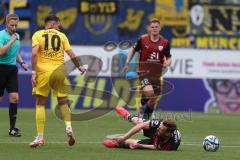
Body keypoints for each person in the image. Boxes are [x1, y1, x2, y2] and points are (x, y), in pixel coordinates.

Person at [30, 15, 86, 147]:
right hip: (60, 72)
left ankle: (40, 137)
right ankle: (68, 127)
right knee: (63, 102)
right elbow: (72, 55)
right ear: (53, 24)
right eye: (58, 25)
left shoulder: (37, 34)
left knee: (40, 103)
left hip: (43, 72)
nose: (59, 27)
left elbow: (33, 54)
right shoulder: (62, 36)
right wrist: (80, 67)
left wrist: (34, 72)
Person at [122, 18, 172, 119]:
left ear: (160, 28)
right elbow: (133, 49)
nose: (154, 28)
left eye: (156, 27)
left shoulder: (165, 43)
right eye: (152, 27)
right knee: (149, 92)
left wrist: (168, 62)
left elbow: (169, 56)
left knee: (154, 100)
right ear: (149, 28)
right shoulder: (143, 39)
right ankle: (141, 103)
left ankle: (144, 119)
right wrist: (127, 62)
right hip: (143, 72)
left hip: (157, 74)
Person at [0, 13, 28, 137]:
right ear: (7, 24)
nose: (14, 28)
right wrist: (11, 40)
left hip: (12, 69)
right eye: (12, 25)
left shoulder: (17, 36)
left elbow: (15, 52)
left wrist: (22, 62)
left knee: (15, 98)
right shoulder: (1, 35)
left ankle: (12, 129)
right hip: (1, 68)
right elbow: (1, 52)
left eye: (16, 25)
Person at [103, 107, 181, 151]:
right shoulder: (159, 125)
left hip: (157, 141)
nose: (158, 129)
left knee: (130, 144)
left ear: (167, 133)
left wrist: (140, 145)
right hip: (158, 137)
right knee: (139, 122)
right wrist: (124, 137)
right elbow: (141, 125)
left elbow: (156, 147)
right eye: (159, 126)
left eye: (161, 129)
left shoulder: (172, 145)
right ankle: (128, 116)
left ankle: (116, 144)